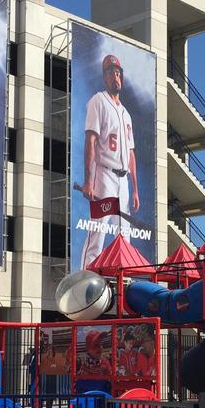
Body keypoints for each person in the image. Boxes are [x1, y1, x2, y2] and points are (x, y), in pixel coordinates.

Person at [78, 54, 140, 270]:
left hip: (123, 181)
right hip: (103, 173)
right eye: (111, 72)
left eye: (118, 72)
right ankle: (85, 276)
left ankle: (124, 277)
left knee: (125, 234)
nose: (116, 76)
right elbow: (91, 140)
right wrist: (88, 180)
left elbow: (131, 154)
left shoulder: (126, 113)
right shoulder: (98, 100)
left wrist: (135, 189)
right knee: (99, 230)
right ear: (104, 78)